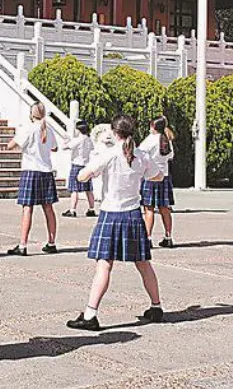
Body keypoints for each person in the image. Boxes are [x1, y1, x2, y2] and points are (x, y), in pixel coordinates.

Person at [67, 114, 165, 331]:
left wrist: (95, 167)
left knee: (104, 264)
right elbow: (158, 176)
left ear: (114, 132)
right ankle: (156, 307)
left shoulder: (109, 154)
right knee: (143, 263)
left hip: (111, 213)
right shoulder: (141, 155)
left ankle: (91, 314)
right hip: (133, 213)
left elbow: (82, 176)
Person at [6, 103, 58, 255]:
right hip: (46, 171)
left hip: (31, 170)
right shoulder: (48, 129)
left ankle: (22, 245)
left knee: (27, 208)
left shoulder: (28, 128)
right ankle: (51, 242)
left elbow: (11, 145)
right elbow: (54, 148)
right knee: (48, 208)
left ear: (31, 114)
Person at [139, 116, 176, 248]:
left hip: (151, 176)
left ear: (153, 126)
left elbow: (139, 153)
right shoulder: (166, 139)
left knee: (149, 209)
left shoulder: (150, 139)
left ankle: (148, 238)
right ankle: (168, 236)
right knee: (164, 209)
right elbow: (171, 156)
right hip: (164, 176)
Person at [60, 121, 96, 217]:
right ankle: (91, 209)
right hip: (86, 165)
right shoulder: (88, 139)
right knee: (88, 189)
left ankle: (72, 210)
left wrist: (66, 140)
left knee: (74, 189)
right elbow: (92, 149)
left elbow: (65, 147)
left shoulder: (78, 139)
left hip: (76, 165)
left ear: (78, 129)